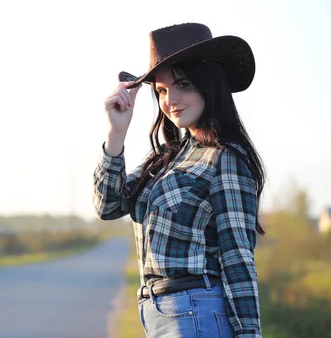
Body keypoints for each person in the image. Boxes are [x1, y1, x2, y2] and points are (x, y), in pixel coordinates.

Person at [93, 23, 265, 338]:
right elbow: (107, 205)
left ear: (208, 85)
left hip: (195, 312)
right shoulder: (167, 160)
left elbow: (238, 258)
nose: (170, 99)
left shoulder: (225, 159)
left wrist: (249, 334)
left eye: (182, 84)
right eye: (160, 90)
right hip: (159, 314)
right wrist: (116, 133)